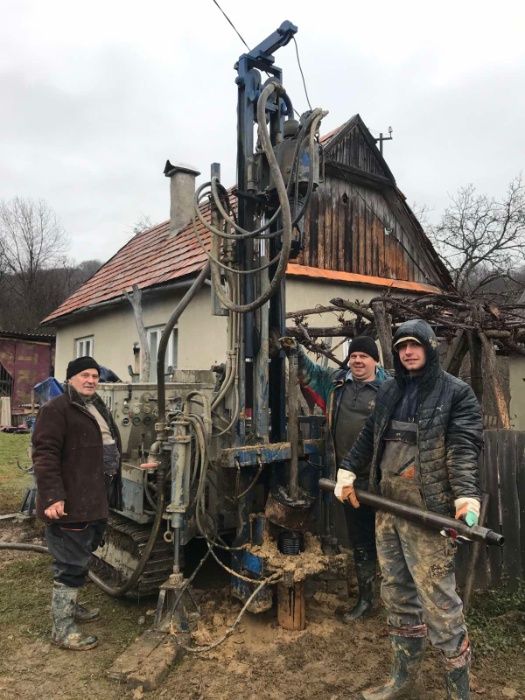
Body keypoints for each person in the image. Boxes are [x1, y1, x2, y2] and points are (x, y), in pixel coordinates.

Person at [336, 319, 482, 700]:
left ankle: (459, 691)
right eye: (401, 347)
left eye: (415, 345)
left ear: (430, 348)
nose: (408, 352)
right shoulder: (389, 390)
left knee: (439, 602)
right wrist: (348, 469)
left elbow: (463, 447)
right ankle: (403, 680)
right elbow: (370, 436)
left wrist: (466, 496)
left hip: (428, 514)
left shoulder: (456, 393)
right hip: (388, 511)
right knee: (398, 595)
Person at [283, 334, 389, 620]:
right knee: (361, 539)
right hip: (348, 479)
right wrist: (295, 351)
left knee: (392, 540)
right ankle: (367, 600)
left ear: (374, 361)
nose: (357, 360)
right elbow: (310, 374)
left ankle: (401, 604)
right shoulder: (337, 383)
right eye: (353, 355)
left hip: (383, 480)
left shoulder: (390, 388)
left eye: (363, 356)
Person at [33, 356, 122, 651]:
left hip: (94, 497)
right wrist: (52, 496)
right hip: (70, 500)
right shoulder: (56, 409)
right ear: (70, 378)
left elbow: (108, 443)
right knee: (71, 562)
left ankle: (72, 606)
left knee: (83, 554)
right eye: (84, 375)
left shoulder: (95, 405)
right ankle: (62, 629)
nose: (91, 380)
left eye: (95, 375)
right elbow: (44, 454)